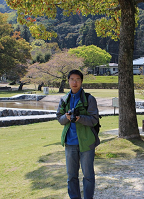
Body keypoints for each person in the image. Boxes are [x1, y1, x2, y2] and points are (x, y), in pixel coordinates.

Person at [56, 69, 100, 199]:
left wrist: (80, 118)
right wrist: (67, 117)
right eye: (72, 79)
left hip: (86, 142)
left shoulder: (89, 99)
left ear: (81, 81)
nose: (74, 82)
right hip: (70, 142)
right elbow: (59, 118)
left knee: (88, 176)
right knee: (71, 176)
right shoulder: (64, 99)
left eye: (77, 79)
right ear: (68, 81)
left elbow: (94, 120)